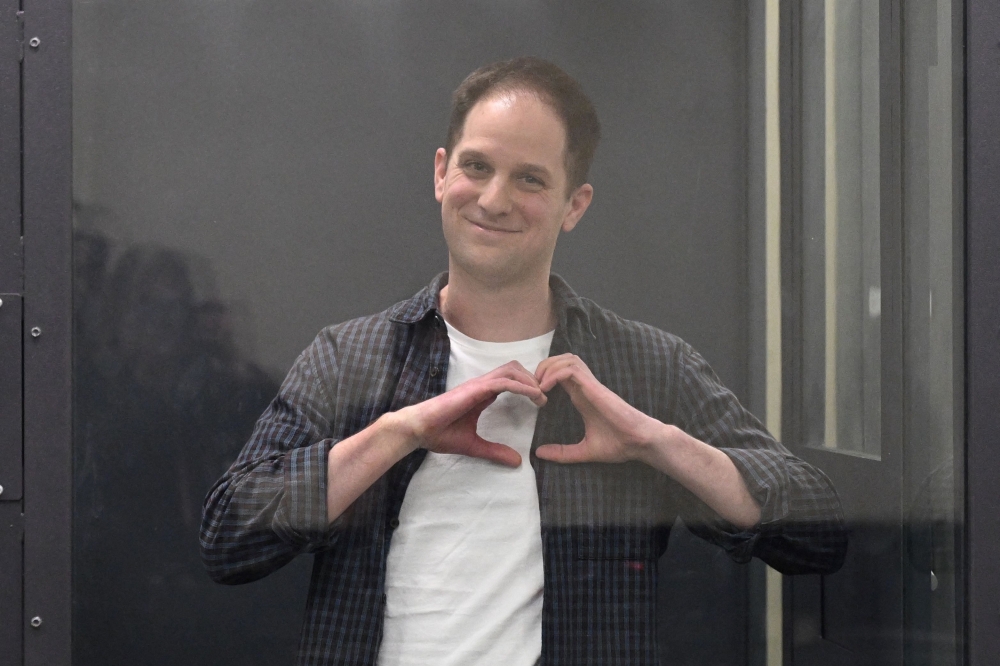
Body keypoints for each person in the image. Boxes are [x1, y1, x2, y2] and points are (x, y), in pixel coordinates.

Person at [201, 57, 846, 666]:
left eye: (530, 179)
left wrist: (655, 443)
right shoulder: (352, 357)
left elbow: (817, 533)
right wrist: (400, 432)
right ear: (441, 173)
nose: (494, 199)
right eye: (476, 166)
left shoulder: (649, 367)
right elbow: (230, 538)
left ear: (574, 205)